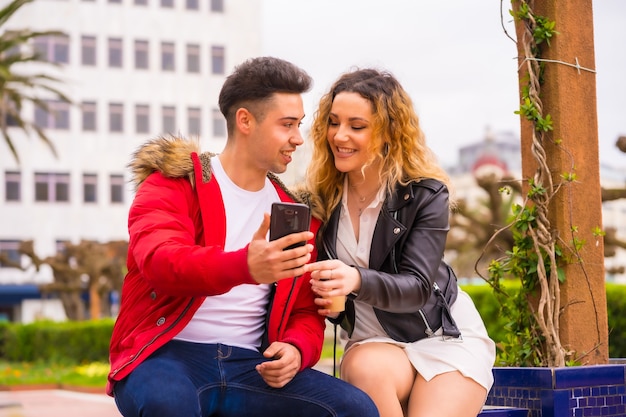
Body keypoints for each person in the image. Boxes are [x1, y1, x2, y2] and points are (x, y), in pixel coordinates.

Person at [107, 56, 379, 417]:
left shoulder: (294, 210)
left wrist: (297, 349)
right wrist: (245, 266)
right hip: (167, 354)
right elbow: (161, 261)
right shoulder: (173, 184)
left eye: (299, 124)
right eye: (287, 125)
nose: (298, 138)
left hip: (252, 366)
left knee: (355, 409)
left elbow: (303, 309)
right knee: (167, 405)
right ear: (245, 121)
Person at [302, 68, 496, 417]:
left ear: (388, 132)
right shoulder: (319, 200)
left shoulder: (425, 194)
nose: (339, 135)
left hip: (444, 338)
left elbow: (419, 287)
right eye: (333, 122)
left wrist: (355, 280)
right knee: (363, 367)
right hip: (373, 345)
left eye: (356, 126)